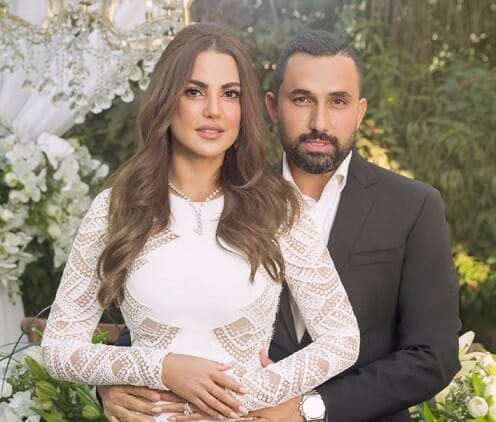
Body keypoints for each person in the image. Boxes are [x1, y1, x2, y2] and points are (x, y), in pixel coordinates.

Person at [100, 29, 461, 422]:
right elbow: (161, 314)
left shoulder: (412, 206)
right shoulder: (222, 200)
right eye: (302, 99)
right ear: (272, 107)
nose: (320, 121)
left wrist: (310, 408)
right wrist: (108, 386)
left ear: (359, 111)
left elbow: (433, 355)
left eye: (338, 101)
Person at [40, 24, 360, 422]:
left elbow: (342, 339)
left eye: (230, 94)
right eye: (194, 92)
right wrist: (161, 367)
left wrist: (241, 398)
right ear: (167, 99)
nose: (214, 110)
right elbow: (58, 348)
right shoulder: (116, 208)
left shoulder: (278, 208)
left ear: (244, 108)